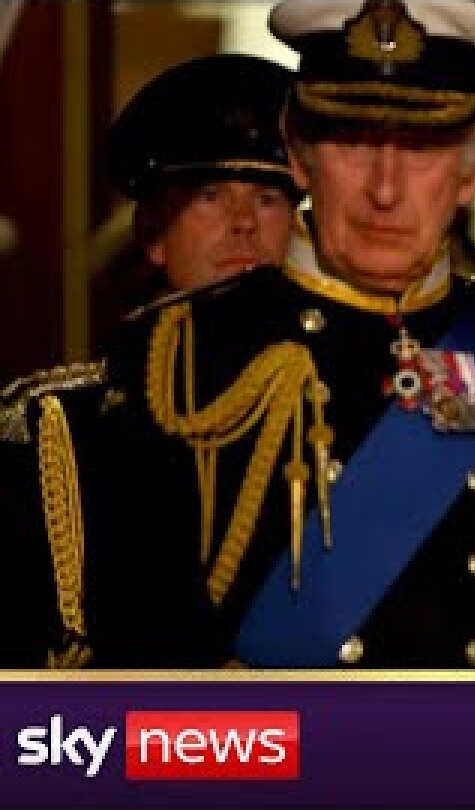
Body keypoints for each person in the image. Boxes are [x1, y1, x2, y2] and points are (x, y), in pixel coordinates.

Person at [85, 0, 475, 669]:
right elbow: (136, 657)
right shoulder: (172, 355)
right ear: (299, 155)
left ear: (470, 171)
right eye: (354, 143)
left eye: (420, 149)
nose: (384, 190)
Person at [0, 53, 298, 668]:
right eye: (210, 196)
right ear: (154, 236)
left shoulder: (339, 405)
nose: (243, 223)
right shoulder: (58, 428)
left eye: (269, 198)